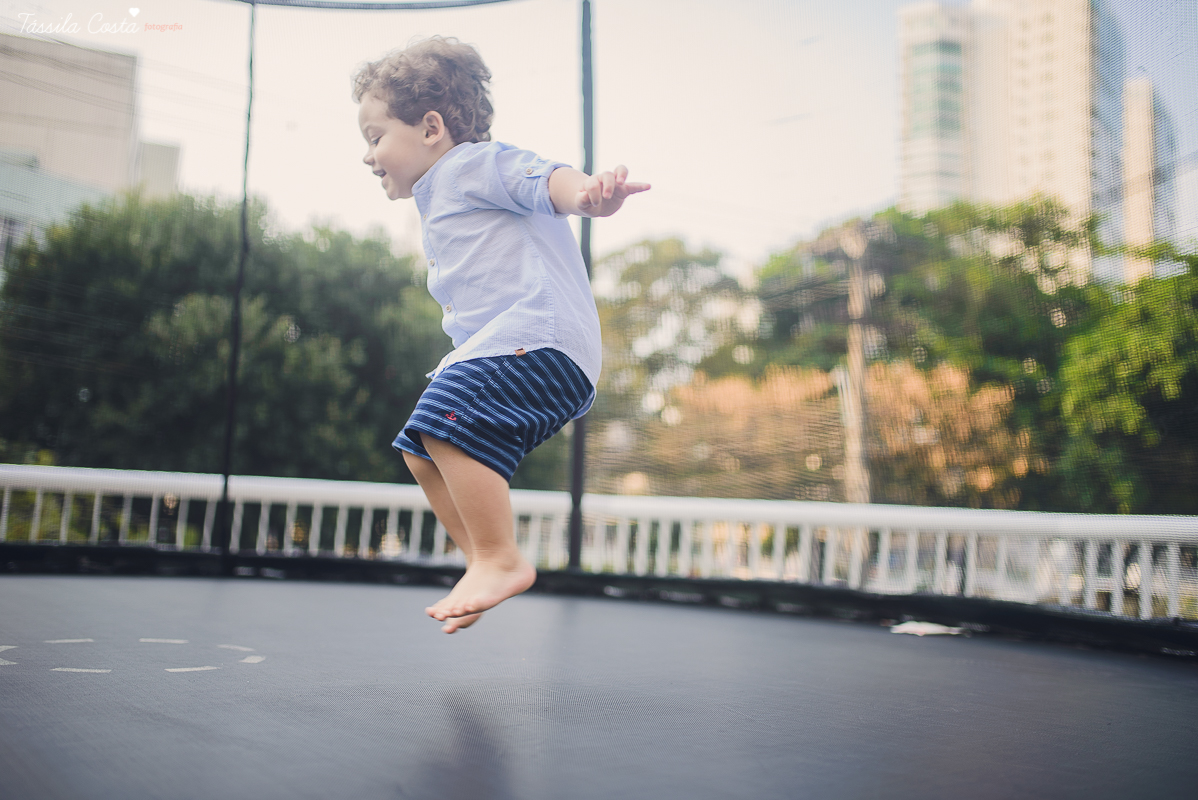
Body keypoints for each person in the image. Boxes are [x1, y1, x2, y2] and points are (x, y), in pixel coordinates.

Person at [352, 36, 649, 633]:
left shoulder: (471, 165)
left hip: (540, 341)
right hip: (518, 348)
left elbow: (545, 179)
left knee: (444, 416)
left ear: (431, 127)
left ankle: (498, 556)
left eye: (375, 136)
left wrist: (588, 194)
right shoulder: (438, 199)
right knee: (420, 447)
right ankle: (482, 565)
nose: (368, 156)